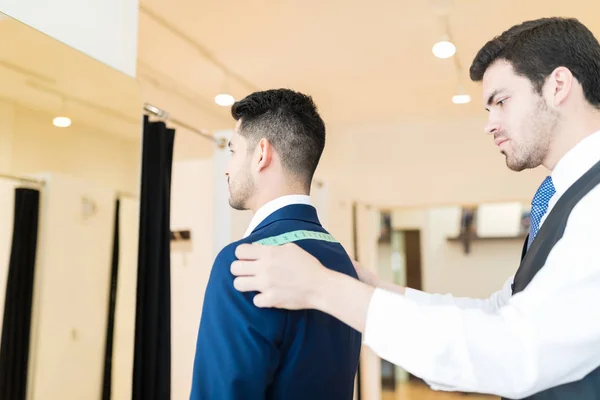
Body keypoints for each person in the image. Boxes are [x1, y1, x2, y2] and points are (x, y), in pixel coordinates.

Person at [230, 17, 600, 399]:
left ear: (558, 86)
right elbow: (499, 311)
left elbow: (517, 352)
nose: (490, 124)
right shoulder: (561, 198)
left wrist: (322, 288)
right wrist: (377, 288)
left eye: (502, 102)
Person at [190, 89, 362, 399]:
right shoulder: (342, 259)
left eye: (232, 151)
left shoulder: (244, 263)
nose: (227, 168)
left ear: (261, 154)